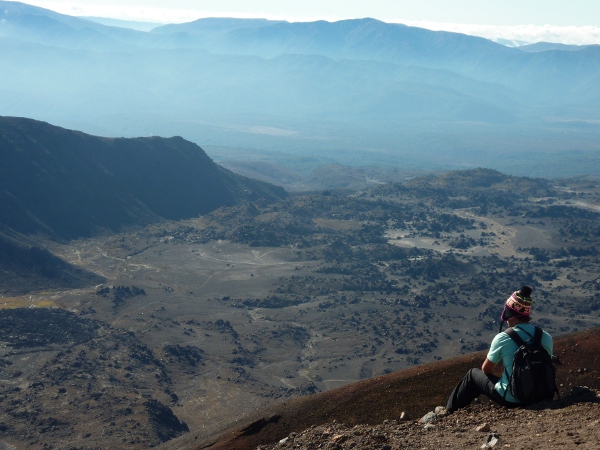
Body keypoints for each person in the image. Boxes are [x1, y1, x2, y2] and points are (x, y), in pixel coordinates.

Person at [445, 286, 553, 413]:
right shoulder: (546, 337)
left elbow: (486, 369)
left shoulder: (503, 338)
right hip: (543, 395)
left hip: (513, 398)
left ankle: (449, 410)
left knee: (472, 375)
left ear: (509, 314)